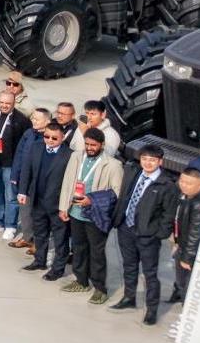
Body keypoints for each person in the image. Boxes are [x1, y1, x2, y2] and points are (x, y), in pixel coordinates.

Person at [112, 143, 175, 325]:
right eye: (144, 159)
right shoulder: (134, 173)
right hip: (126, 227)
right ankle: (129, 297)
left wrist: (159, 234)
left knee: (150, 273)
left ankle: (152, 310)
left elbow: (168, 213)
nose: (147, 163)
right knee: (129, 266)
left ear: (160, 162)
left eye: (152, 160)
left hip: (148, 235)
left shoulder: (166, 184)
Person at [59, 127, 123, 304]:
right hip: (76, 212)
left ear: (102, 144)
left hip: (95, 216)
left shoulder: (113, 165)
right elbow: (67, 182)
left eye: (93, 145)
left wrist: (92, 200)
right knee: (79, 248)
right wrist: (63, 207)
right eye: (87, 144)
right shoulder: (76, 157)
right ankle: (81, 281)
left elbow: (117, 194)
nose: (89, 148)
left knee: (97, 253)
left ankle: (100, 289)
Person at [23, 123, 74, 280]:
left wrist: (67, 205)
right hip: (38, 200)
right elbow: (27, 170)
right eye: (47, 136)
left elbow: (71, 182)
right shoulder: (36, 147)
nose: (50, 140)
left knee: (60, 238)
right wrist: (22, 191)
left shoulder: (69, 155)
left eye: (54, 138)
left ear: (62, 137)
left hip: (58, 204)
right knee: (40, 233)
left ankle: (58, 269)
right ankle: (40, 261)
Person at [0, 91, 31, 237]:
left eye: (8, 103)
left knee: (11, 195)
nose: (4, 106)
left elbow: (25, 145)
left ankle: (10, 225)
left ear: (14, 103)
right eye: (2, 102)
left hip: (11, 164)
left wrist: (21, 166)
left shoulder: (22, 120)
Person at [7, 108, 53, 250]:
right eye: (33, 118)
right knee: (25, 211)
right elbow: (19, 155)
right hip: (24, 179)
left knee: (39, 214)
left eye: (37, 119)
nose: (33, 121)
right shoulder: (28, 133)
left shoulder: (50, 138)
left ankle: (38, 243)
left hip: (40, 181)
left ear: (47, 121)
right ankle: (27, 238)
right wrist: (14, 175)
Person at [168, 167, 200, 313]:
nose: (184, 185)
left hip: (188, 252)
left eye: (189, 183)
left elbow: (195, 234)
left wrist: (187, 258)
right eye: (182, 181)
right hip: (180, 245)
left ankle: (187, 316)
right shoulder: (183, 196)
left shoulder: (199, 204)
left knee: (187, 286)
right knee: (181, 283)